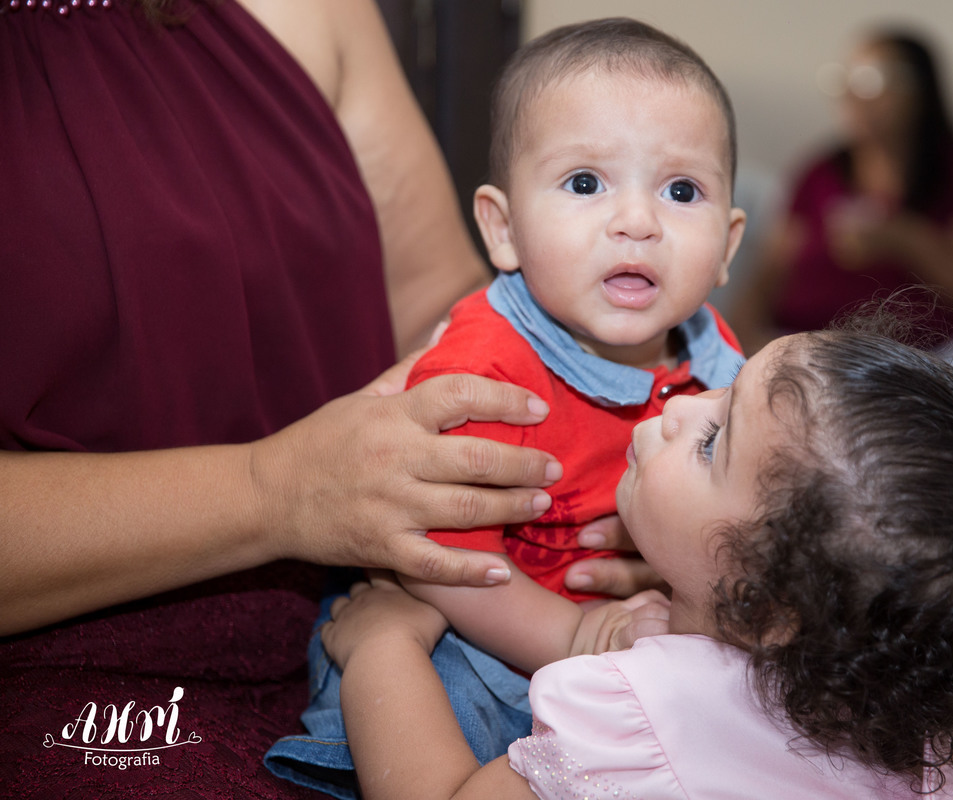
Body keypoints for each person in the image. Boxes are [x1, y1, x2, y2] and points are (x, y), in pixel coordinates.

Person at [0, 1, 650, 796]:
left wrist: (608, 493)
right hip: (88, 678)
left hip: (418, 612)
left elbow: (450, 315)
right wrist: (273, 491)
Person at [266, 18, 746, 794]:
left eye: (680, 191)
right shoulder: (485, 370)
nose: (637, 221)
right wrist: (573, 634)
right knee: (437, 685)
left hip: (625, 629)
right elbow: (436, 556)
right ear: (504, 228)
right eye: (585, 183)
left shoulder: (721, 362)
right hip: (466, 620)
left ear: (727, 245)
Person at [322, 328, 953, 799]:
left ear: (763, 607)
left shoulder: (646, 719)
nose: (681, 405)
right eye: (724, 388)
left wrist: (382, 648)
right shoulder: (887, 731)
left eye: (713, 440)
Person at [730, 27, 953, 354]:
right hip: (806, 350)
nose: (853, 95)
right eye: (845, 80)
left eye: (871, 80)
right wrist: (744, 348)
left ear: (918, 90)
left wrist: (904, 239)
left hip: (917, 358)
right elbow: (765, 279)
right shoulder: (819, 171)